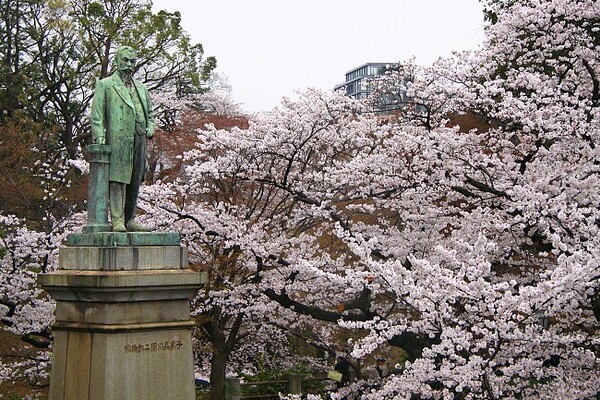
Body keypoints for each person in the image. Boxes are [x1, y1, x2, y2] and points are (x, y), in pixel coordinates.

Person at [90, 46, 154, 232]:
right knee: (118, 179)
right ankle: (117, 220)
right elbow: (97, 114)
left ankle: (130, 218)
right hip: (118, 138)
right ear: (116, 62)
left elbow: (150, 112)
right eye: (125, 60)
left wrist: (150, 126)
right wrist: (99, 136)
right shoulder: (106, 85)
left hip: (140, 137)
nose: (128, 65)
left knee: (135, 179)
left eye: (132, 61)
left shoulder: (140, 87)